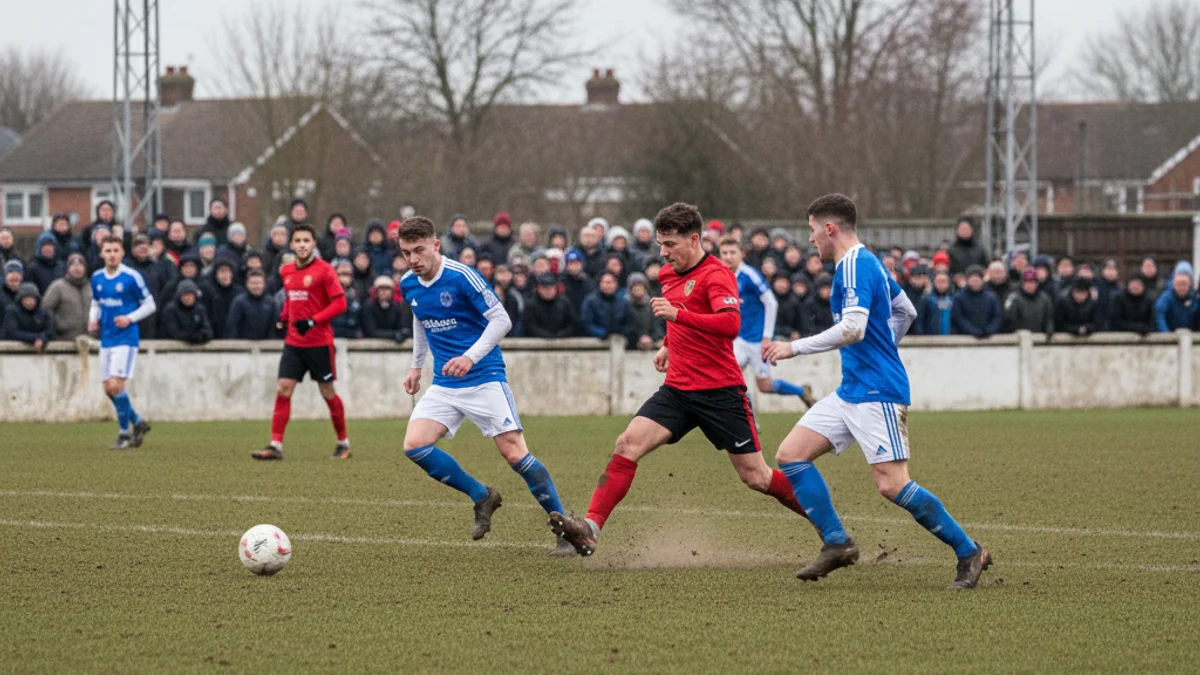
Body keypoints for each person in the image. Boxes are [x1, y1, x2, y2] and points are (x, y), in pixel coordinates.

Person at [549, 202, 817, 558]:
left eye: (670, 244)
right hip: (678, 389)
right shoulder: (667, 274)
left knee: (757, 477)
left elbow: (730, 325)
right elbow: (679, 321)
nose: (663, 252)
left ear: (694, 239)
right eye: (660, 244)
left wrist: (679, 315)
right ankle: (590, 528)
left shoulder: (718, 274)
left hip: (720, 391)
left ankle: (827, 524)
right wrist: (667, 344)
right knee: (627, 444)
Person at [763, 193, 989, 589]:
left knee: (892, 484)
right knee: (791, 456)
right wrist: (882, 348)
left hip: (878, 392)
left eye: (813, 230)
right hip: (853, 389)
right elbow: (907, 312)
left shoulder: (852, 266)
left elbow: (853, 328)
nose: (811, 239)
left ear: (829, 228)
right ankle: (837, 542)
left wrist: (793, 347)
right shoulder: (871, 263)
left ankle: (969, 550)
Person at [394, 216, 572, 553]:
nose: (413, 259)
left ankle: (565, 528)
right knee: (415, 445)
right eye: (406, 252)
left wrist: (470, 358)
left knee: (515, 454)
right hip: (445, 383)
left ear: (435, 245)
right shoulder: (408, 283)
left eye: (419, 250)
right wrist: (416, 366)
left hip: (484, 377)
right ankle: (482, 496)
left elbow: (501, 319)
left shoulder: (462, 276)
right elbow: (420, 319)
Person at [253, 224, 350, 461]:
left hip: (320, 344)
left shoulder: (325, 271)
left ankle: (343, 443)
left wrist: (313, 321)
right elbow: (291, 301)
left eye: (307, 240)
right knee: (284, 388)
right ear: (292, 244)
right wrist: (283, 319)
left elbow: (340, 303)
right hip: (294, 344)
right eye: (298, 240)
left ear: (314, 243)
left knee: (327, 391)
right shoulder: (286, 271)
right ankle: (275, 445)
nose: (302, 244)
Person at [718, 237, 814, 407]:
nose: (728, 257)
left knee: (765, 386)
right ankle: (749, 419)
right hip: (738, 338)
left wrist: (766, 337)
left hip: (757, 340)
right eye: (724, 253)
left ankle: (801, 391)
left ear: (742, 254)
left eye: (732, 252)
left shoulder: (750, 275)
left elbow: (771, 303)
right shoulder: (720, 276)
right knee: (730, 378)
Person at [89, 235, 156, 449]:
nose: (112, 255)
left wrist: (130, 318)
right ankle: (137, 421)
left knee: (117, 385)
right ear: (102, 254)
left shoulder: (131, 277)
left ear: (122, 253)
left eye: (116, 250)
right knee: (108, 388)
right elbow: (96, 302)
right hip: (106, 338)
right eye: (108, 251)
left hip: (126, 339)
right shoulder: (97, 278)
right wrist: (93, 319)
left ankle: (124, 434)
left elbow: (150, 304)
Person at [42, 254, 91, 340]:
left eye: (80, 265)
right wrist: (58, 325)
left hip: (90, 339)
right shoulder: (57, 286)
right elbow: (46, 308)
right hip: (64, 339)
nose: (77, 268)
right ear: (68, 268)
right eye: (73, 265)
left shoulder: (92, 287)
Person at [580, 272, 634, 342]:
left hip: (618, 340)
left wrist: (622, 332)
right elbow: (586, 323)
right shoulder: (590, 301)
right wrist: (603, 333)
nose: (609, 285)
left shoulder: (623, 302)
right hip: (596, 341)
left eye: (611, 282)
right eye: (606, 282)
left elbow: (629, 322)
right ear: (600, 283)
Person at [951, 266, 1002, 338]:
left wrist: (990, 330)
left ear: (982, 280)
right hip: (965, 338)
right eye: (972, 280)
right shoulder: (958, 297)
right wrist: (973, 331)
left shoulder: (991, 296)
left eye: (977, 280)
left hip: (988, 337)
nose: (975, 283)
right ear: (967, 281)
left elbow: (997, 316)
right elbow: (958, 318)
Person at [226, 270, 277, 340]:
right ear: (247, 284)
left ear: (264, 284)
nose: (256, 286)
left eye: (259, 283)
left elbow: (274, 327)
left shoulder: (271, 302)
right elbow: (232, 326)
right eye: (253, 283)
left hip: (266, 345)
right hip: (242, 345)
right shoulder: (239, 302)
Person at [524, 273, 578, 339]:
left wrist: (561, 334)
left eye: (551, 288)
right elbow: (530, 325)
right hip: (538, 342)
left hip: (562, 341)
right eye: (545, 288)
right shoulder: (531, 304)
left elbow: (572, 323)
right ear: (539, 289)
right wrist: (545, 335)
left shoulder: (564, 302)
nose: (548, 291)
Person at [2, 283, 54, 350]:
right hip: (12, 350)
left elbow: (50, 331)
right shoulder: (12, 311)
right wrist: (36, 337)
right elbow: (12, 333)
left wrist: (42, 338)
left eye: (33, 298)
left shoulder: (43, 312)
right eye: (27, 298)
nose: (30, 302)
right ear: (21, 299)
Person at [160, 280, 213, 344]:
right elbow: (173, 332)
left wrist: (201, 336)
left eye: (190, 295)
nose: (187, 298)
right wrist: (191, 337)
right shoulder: (170, 310)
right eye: (185, 295)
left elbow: (208, 330)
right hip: (173, 347)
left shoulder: (199, 310)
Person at [1004, 267, 1054, 335]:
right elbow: (1010, 320)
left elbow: (1049, 318)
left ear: (1037, 284)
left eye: (1033, 282)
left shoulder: (1045, 299)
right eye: (1027, 282)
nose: (1030, 285)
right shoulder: (1014, 298)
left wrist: (1049, 329)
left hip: (1040, 338)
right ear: (1022, 283)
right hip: (1020, 338)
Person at [360, 275, 411, 341]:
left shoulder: (397, 307)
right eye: (381, 289)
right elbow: (370, 331)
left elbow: (401, 327)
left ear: (392, 291)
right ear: (376, 291)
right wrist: (394, 334)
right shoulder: (368, 306)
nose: (384, 292)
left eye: (387, 289)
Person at [201, 259, 239, 340]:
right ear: (216, 274)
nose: (225, 275)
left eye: (228, 271)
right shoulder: (207, 290)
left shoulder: (238, 292)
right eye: (222, 271)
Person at [1154, 262, 1198, 332]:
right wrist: (1167, 335)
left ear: (1190, 283)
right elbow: (1159, 314)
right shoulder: (1166, 297)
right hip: (1171, 334)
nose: (1181, 287)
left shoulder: (1195, 298)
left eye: (1184, 284)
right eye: (1178, 284)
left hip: (1192, 335)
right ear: (1173, 284)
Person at [624, 272, 663, 349]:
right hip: (630, 346)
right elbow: (625, 328)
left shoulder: (652, 306)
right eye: (635, 286)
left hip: (650, 345)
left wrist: (652, 337)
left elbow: (657, 327)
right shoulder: (625, 306)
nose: (638, 288)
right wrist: (639, 338)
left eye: (640, 286)